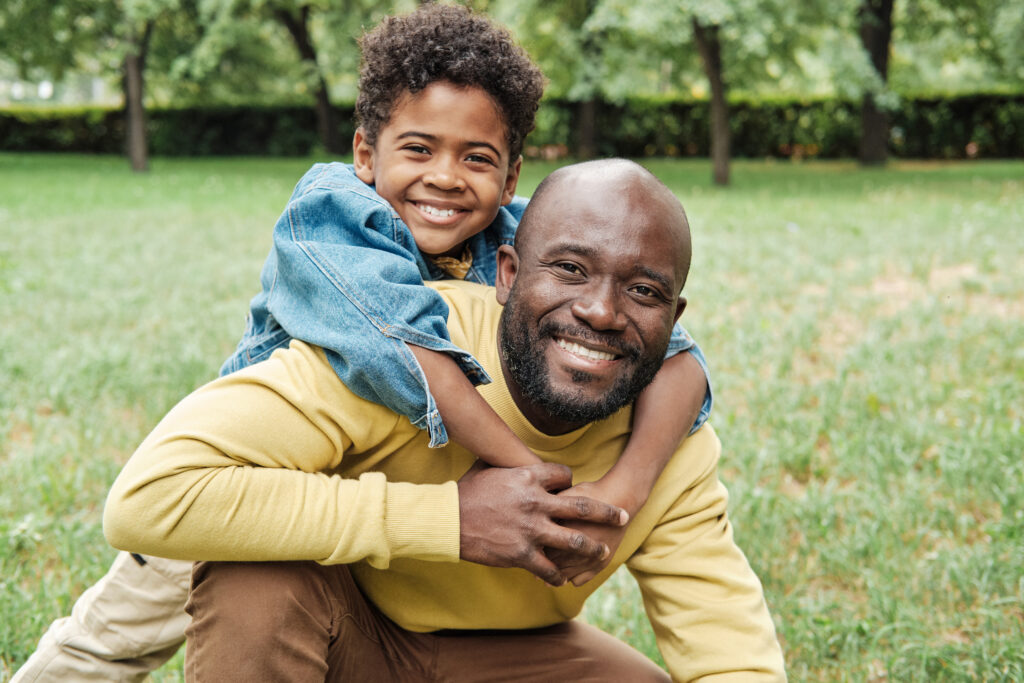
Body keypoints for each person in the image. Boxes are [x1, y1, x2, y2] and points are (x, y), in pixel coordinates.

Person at [12, 5, 712, 680]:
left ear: (511, 176)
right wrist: (527, 470)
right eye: (419, 148)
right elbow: (405, 350)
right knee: (116, 634)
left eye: (476, 157)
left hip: (384, 504)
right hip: (279, 474)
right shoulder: (336, 218)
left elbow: (676, 358)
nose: (445, 176)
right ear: (364, 154)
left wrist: (625, 487)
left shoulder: (531, 239)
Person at [103, 159, 786, 681]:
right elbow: (150, 496)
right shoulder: (400, 353)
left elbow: (728, 642)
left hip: (513, 656)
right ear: (508, 273)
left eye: (643, 291)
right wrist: (449, 520)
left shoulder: (668, 439)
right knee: (253, 576)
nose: (602, 311)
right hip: (350, 635)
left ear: (674, 320)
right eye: (571, 269)